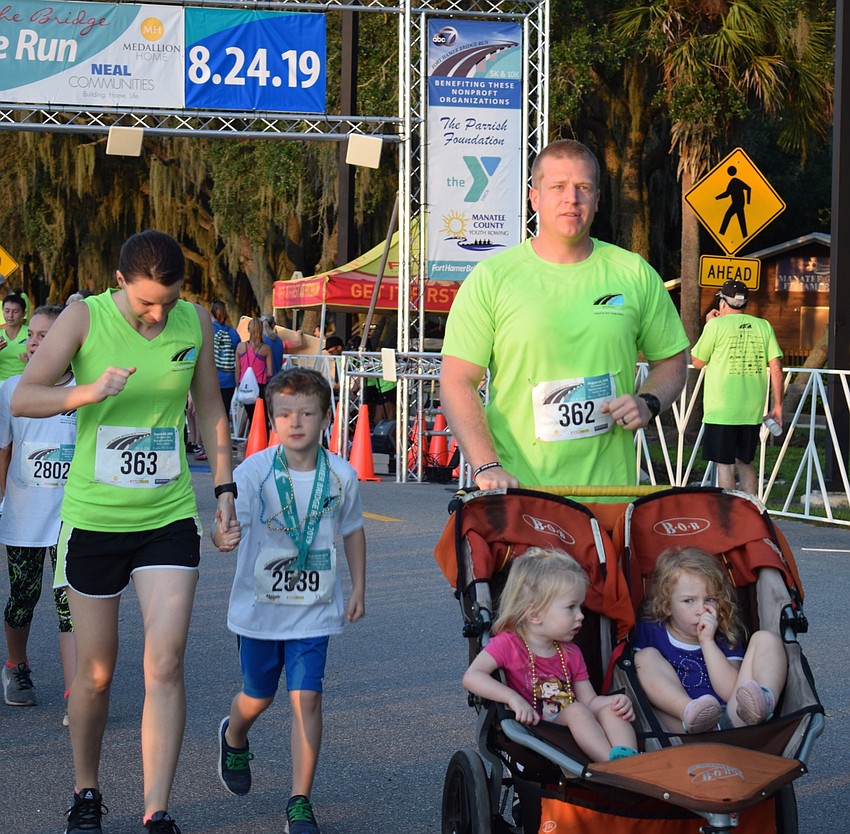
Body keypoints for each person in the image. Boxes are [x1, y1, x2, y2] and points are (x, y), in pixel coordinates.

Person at [11, 230, 240, 834]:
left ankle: (157, 809)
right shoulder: (84, 318)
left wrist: (223, 491)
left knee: (164, 663)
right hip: (94, 518)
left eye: (167, 301)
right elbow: (25, 397)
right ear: (120, 283)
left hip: (166, 515)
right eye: (145, 303)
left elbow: (210, 409)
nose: (158, 314)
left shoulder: (192, 322)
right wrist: (85, 391)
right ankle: (86, 792)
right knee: (96, 672)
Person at [440, 139, 690, 490]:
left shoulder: (633, 273)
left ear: (598, 199)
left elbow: (673, 361)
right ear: (535, 197)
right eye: (557, 187)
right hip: (519, 494)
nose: (571, 198)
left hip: (610, 496)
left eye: (583, 188)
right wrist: (486, 466)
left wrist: (648, 401)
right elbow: (456, 380)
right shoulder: (493, 278)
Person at [213, 367, 366, 834]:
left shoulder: (341, 474)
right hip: (260, 611)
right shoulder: (253, 471)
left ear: (326, 419)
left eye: (307, 413)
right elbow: (225, 525)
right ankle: (234, 734)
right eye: (285, 414)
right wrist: (224, 536)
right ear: (273, 419)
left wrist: (359, 586)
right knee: (257, 697)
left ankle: (300, 801)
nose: (295, 422)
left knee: (308, 699)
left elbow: (353, 529)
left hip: (313, 610)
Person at [462, 548, 638, 762]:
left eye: (580, 607)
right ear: (535, 614)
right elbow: (472, 677)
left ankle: (630, 763)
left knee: (611, 709)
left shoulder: (571, 653)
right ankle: (613, 768)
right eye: (571, 607)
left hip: (573, 724)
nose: (581, 616)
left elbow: (589, 701)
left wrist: (613, 702)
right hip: (538, 730)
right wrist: (512, 697)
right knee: (577, 711)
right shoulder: (508, 645)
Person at [0, 306, 76, 720]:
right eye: (31, 335)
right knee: (22, 599)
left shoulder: (83, 390)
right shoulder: (10, 391)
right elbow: (3, 451)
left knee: (69, 603)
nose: (34, 343)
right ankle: (17, 666)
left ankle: (74, 693)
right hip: (25, 517)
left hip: (71, 517)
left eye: (46, 336)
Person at [633, 547, 787, 734]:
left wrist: (707, 642)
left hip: (737, 717)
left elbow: (730, 692)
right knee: (644, 658)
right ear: (667, 605)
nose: (701, 609)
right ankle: (690, 711)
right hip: (682, 723)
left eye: (710, 599)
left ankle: (765, 699)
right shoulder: (650, 632)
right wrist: (689, 712)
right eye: (689, 601)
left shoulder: (723, 634)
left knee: (766, 638)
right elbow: (645, 685)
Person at [691, 279, 784, 494]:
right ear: (745, 303)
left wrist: (708, 325)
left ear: (723, 303)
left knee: (725, 464)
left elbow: (697, 362)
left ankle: (728, 516)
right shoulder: (763, 326)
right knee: (745, 462)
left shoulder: (715, 325)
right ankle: (751, 514)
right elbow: (776, 369)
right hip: (751, 410)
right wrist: (777, 405)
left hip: (721, 409)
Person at [236, 316, 274, 428]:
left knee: (251, 417)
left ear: (248, 330)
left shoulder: (240, 347)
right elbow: (270, 372)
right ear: (262, 330)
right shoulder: (266, 348)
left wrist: (238, 386)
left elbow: (237, 370)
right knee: (261, 420)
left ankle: (251, 441)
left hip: (245, 386)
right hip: (260, 387)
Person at [210, 300, 241, 417]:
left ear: (212, 313)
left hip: (211, 379)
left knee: (210, 415)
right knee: (224, 413)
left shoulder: (207, 330)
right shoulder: (233, 333)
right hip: (229, 380)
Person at [0, 292, 29, 381]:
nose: (10, 316)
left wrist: (31, 361)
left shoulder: (31, 333)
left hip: (24, 382)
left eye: (15, 311)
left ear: (23, 314)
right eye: (7, 311)